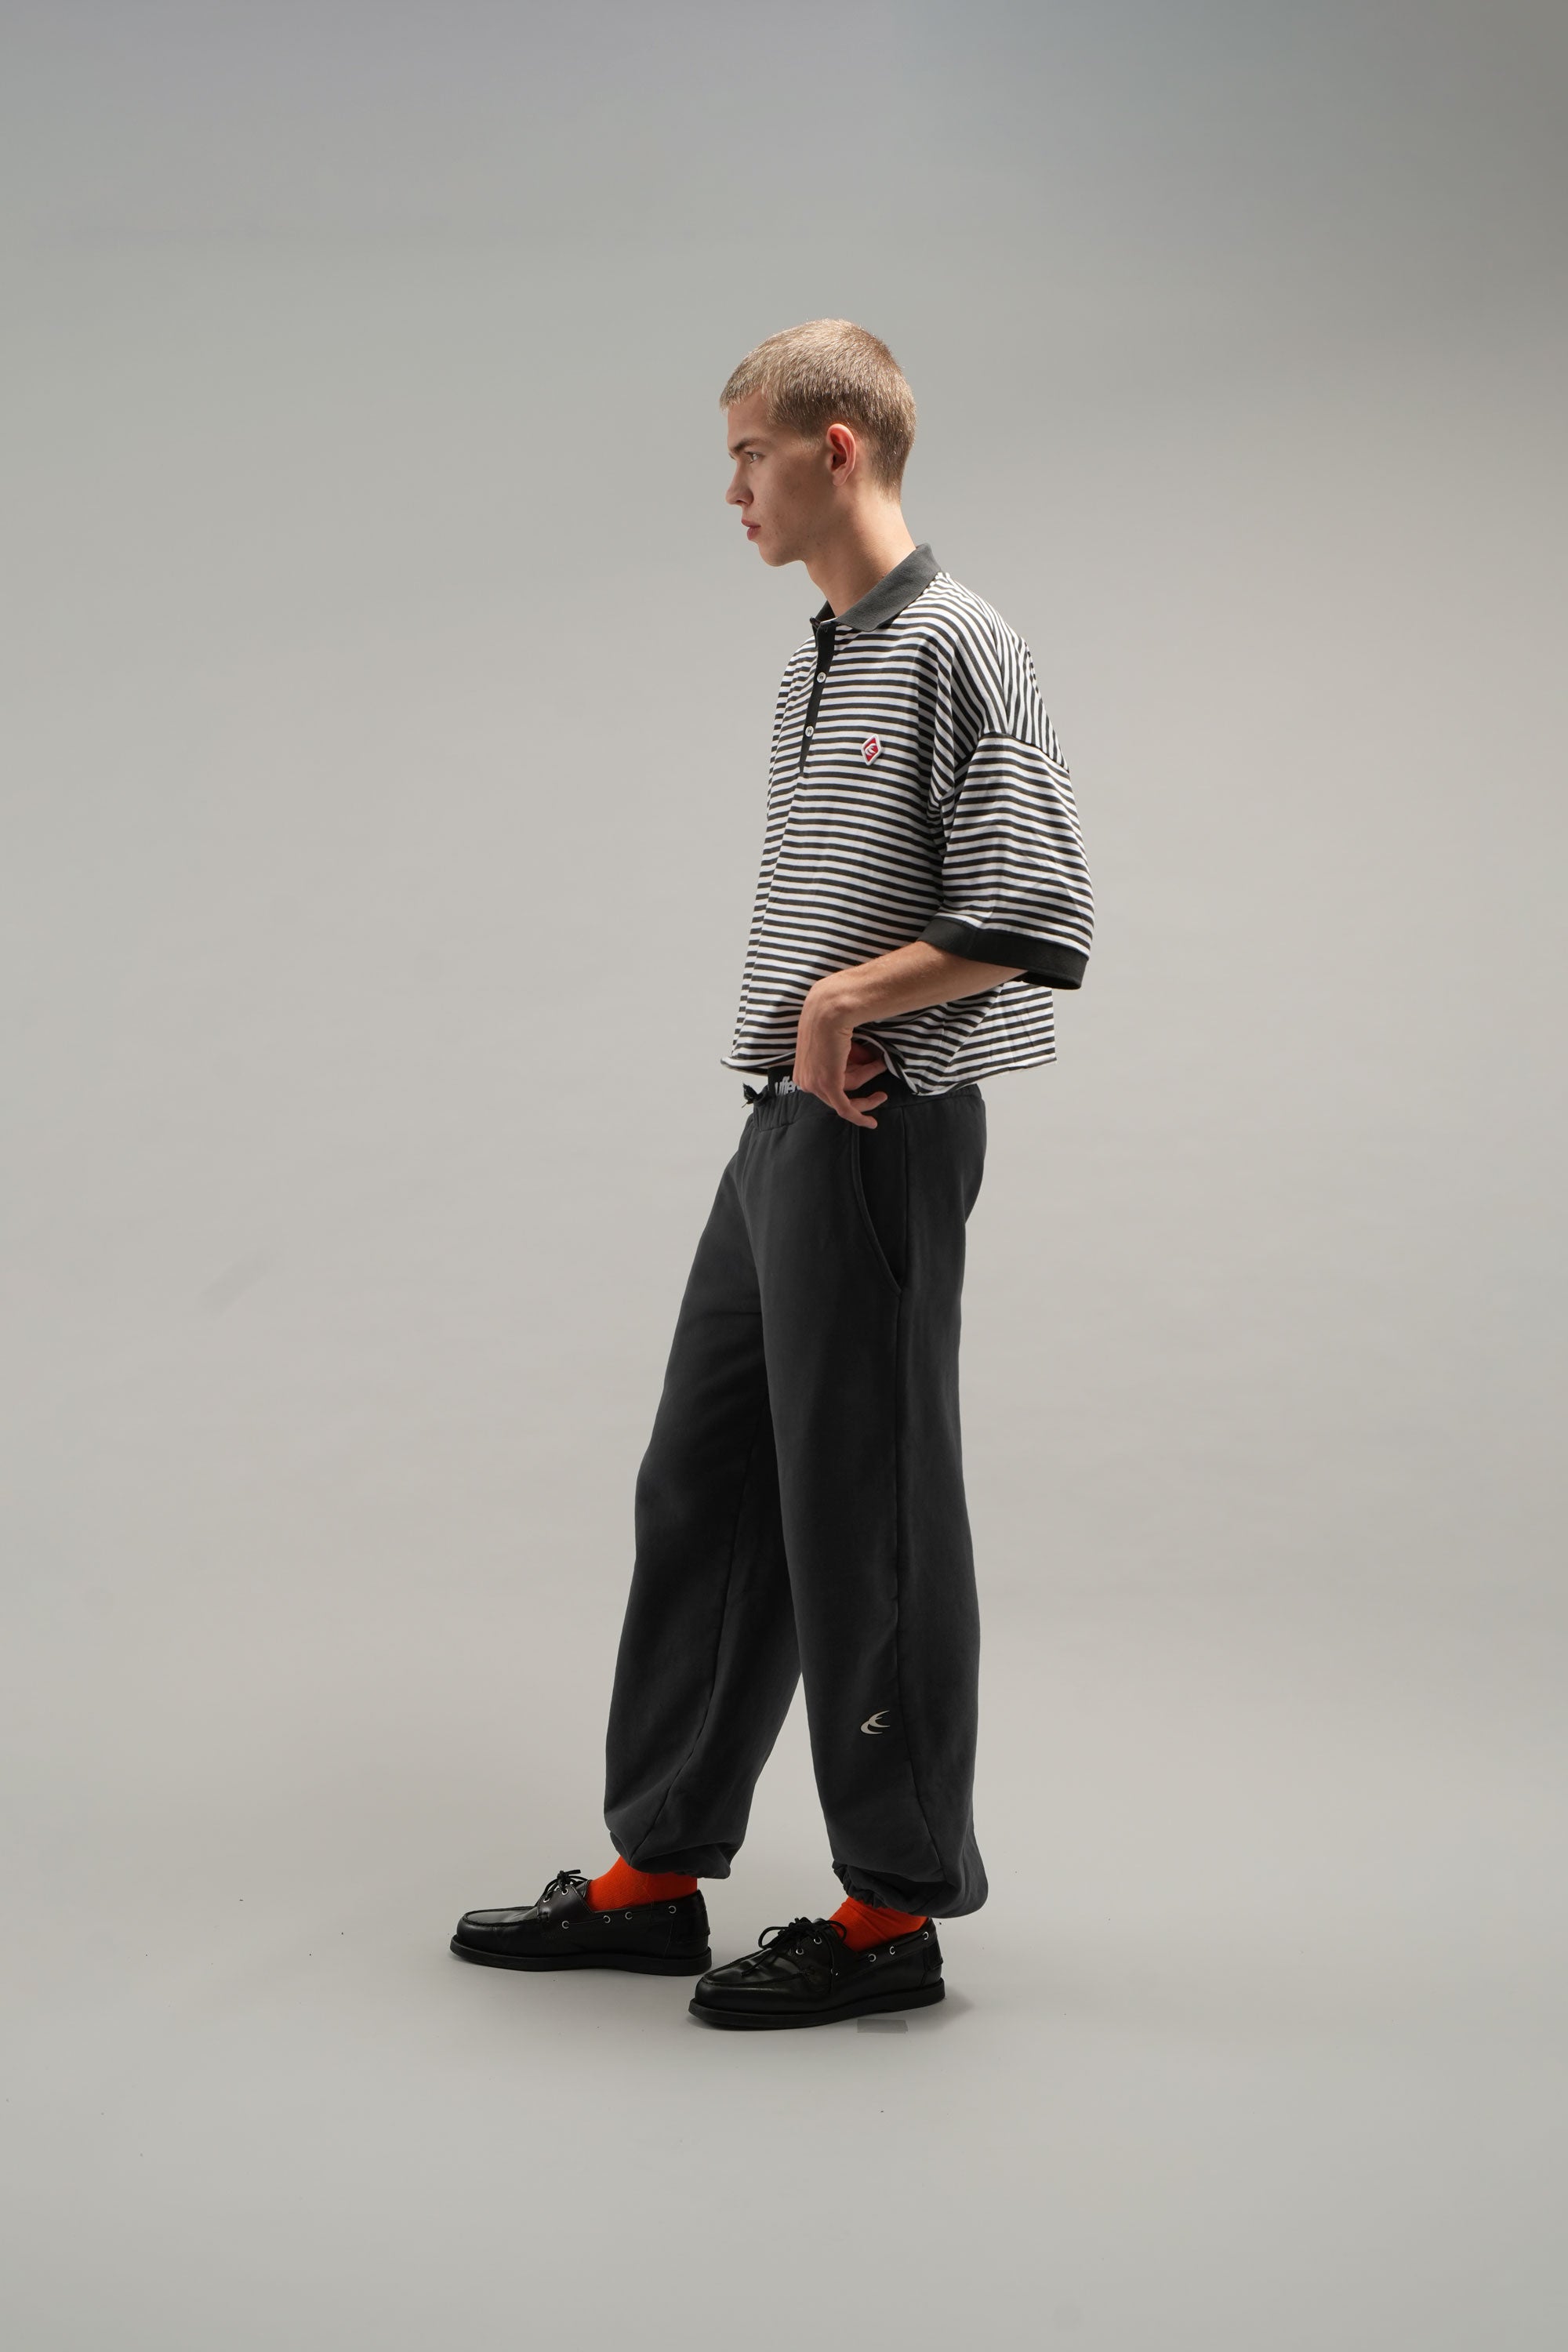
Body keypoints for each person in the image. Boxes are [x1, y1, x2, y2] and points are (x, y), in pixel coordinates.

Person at [451, 320, 1094, 2029]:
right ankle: (657, 1869)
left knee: (862, 1509)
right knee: (708, 1480)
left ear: (836, 446)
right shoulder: (822, 657)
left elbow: (1038, 909)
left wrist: (842, 1001)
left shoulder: (959, 643)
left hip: (882, 1129)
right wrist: (803, 1040)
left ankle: (891, 1911)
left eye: (747, 452)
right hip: (785, 1132)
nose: (731, 488)